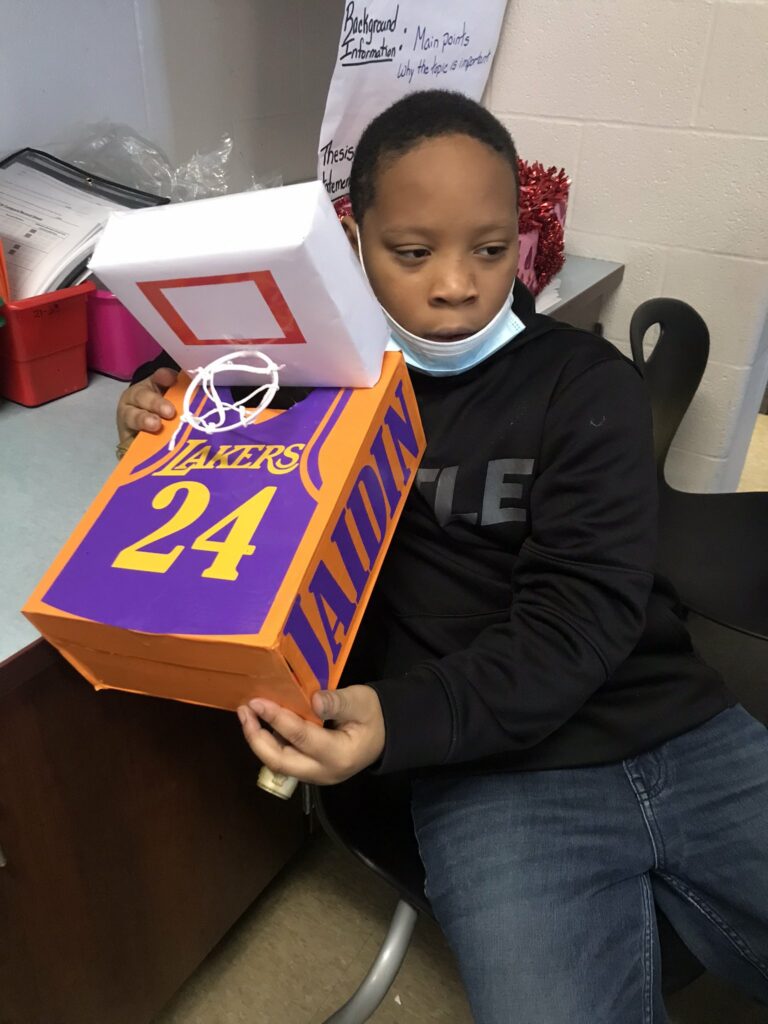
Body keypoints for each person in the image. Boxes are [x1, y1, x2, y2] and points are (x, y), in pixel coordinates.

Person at [118, 90, 768, 1023]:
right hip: (485, 778)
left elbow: (578, 623)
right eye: (413, 253)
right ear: (354, 242)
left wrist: (399, 718)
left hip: (670, 723)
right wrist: (150, 399)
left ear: (521, 243)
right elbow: (210, 396)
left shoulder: (584, 385)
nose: (457, 285)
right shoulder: (317, 386)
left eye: (491, 250)